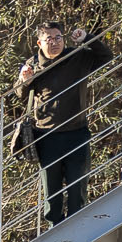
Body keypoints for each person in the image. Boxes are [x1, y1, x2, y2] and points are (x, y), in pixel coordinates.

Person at [15, 19, 110, 225]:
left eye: (58, 38)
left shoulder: (77, 57)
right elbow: (19, 94)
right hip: (46, 136)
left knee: (78, 188)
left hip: (76, 132)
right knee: (52, 193)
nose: (55, 42)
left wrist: (87, 39)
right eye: (49, 39)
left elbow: (105, 56)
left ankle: (76, 229)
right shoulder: (32, 65)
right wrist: (25, 81)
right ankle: (54, 231)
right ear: (39, 43)